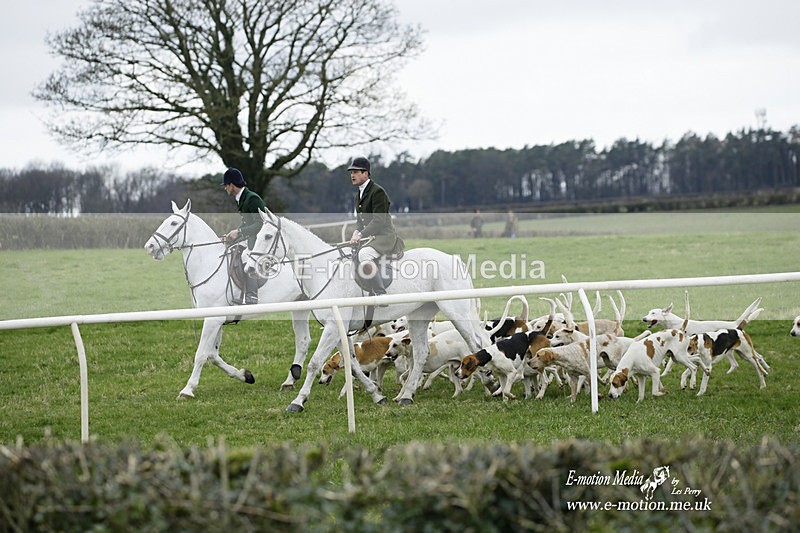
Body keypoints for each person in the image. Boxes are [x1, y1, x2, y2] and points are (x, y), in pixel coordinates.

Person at [347, 156, 403, 295]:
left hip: (384, 236)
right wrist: (355, 232)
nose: (352, 175)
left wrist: (360, 235)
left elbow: (379, 221)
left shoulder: (377, 192)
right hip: (370, 237)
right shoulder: (358, 195)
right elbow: (360, 221)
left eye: (355, 172)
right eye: (351, 172)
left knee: (364, 254)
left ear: (365, 173)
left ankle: (380, 293)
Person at [221, 167, 265, 304]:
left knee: (246, 256)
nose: (225, 189)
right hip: (250, 236)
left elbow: (260, 224)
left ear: (231, 185)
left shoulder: (252, 198)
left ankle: (251, 296)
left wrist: (239, 232)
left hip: (259, 239)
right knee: (232, 250)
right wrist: (232, 235)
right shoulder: (242, 198)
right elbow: (247, 223)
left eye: (226, 186)